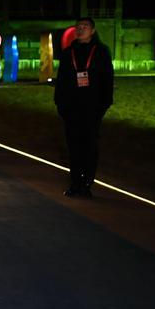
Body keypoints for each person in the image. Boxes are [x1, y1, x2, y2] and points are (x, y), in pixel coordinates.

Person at [54, 17, 113, 197]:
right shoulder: (68, 52)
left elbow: (108, 79)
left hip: (92, 107)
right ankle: (75, 183)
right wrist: (61, 104)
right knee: (73, 147)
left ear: (93, 30)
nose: (81, 29)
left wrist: (103, 104)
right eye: (78, 27)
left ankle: (87, 183)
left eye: (85, 26)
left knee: (89, 145)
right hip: (71, 108)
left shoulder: (101, 52)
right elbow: (61, 80)